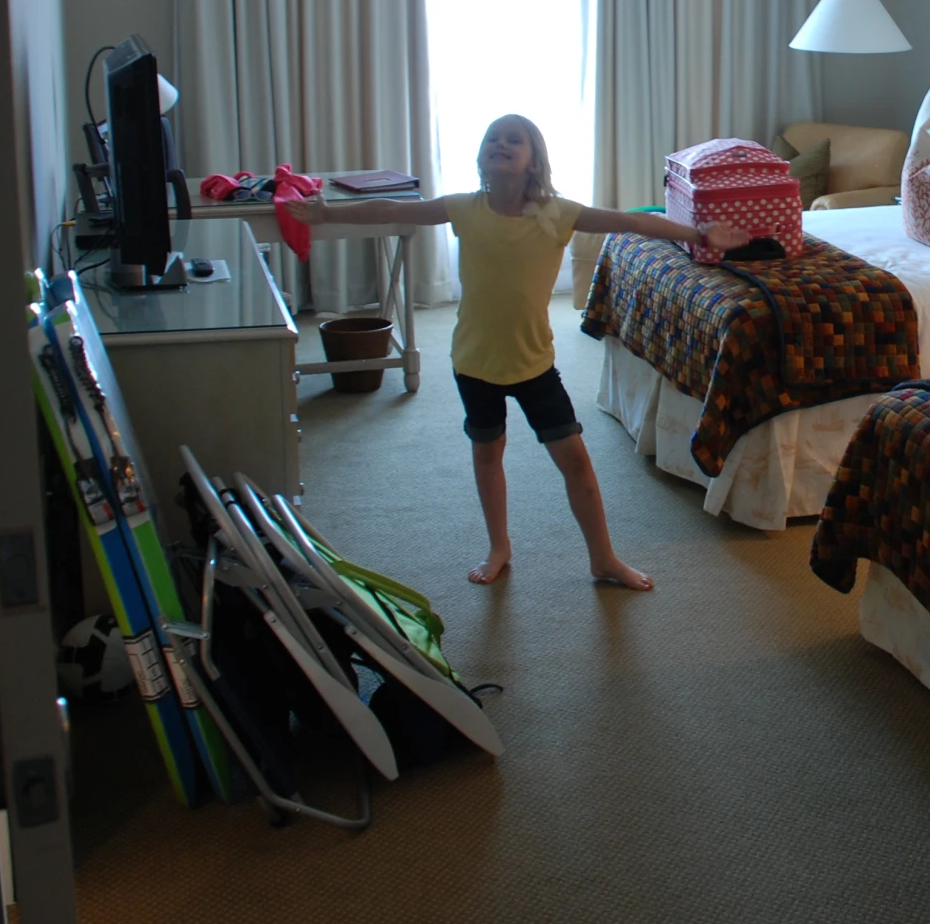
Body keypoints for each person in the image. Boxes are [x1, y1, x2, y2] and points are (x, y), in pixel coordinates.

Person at [290, 114, 748, 590]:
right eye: (493, 138)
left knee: (576, 463)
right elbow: (389, 211)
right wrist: (326, 215)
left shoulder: (557, 214)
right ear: (482, 156)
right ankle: (499, 547)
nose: (501, 144)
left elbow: (630, 220)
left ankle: (604, 557)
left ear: (535, 162)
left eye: (515, 139)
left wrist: (699, 235)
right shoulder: (464, 208)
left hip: (535, 366)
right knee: (488, 456)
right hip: (475, 364)